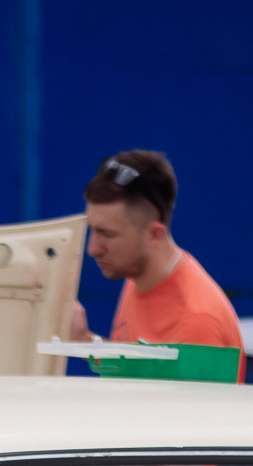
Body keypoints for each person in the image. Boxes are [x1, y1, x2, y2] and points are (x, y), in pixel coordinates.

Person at [63, 150, 242, 355]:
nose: (92, 249)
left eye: (108, 235)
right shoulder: (137, 274)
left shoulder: (196, 321)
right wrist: (83, 340)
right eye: (92, 230)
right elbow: (140, 372)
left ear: (155, 234)